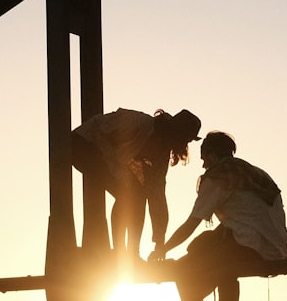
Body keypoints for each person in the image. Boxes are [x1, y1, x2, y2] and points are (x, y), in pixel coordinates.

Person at [151, 131, 287, 301]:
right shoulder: (256, 173)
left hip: (247, 243)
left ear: (213, 155)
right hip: (274, 249)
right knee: (223, 265)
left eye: (204, 159)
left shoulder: (219, 177)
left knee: (183, 268)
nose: (203, 165)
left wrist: (162, 248)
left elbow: (191, 223)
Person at [72, 108, 201, 256]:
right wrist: (121, 174)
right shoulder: (139, 124)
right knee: (129, 194)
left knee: (138, 194)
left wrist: (160, 241)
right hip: (83, 144)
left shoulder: (161, 156)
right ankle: (121, 252)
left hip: (109, 158)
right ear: (176, 134)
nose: (185, 144)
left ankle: (132, 252)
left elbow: (157, 195)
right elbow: (104, 136)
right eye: (186, 139)